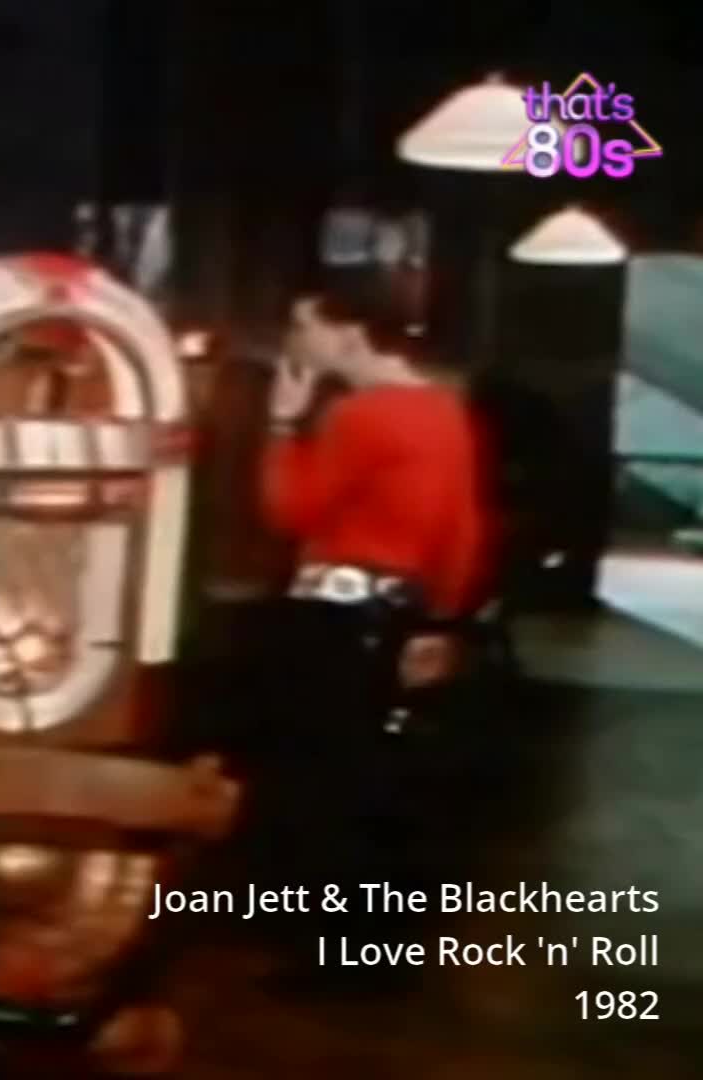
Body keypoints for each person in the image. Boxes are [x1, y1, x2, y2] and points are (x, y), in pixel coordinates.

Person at [250, 286, 499, 990]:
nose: (298, 344)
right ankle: (381, 947)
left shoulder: (361, 415)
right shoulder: (443, 409)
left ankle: (325, 956)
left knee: (321, 784)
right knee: (376, 779)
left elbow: (289, 510)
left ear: (349, 334)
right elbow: (464, 533)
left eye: (306, 327)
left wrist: (281, 426)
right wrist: (440, 625)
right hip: (402, 612)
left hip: (335, 617)